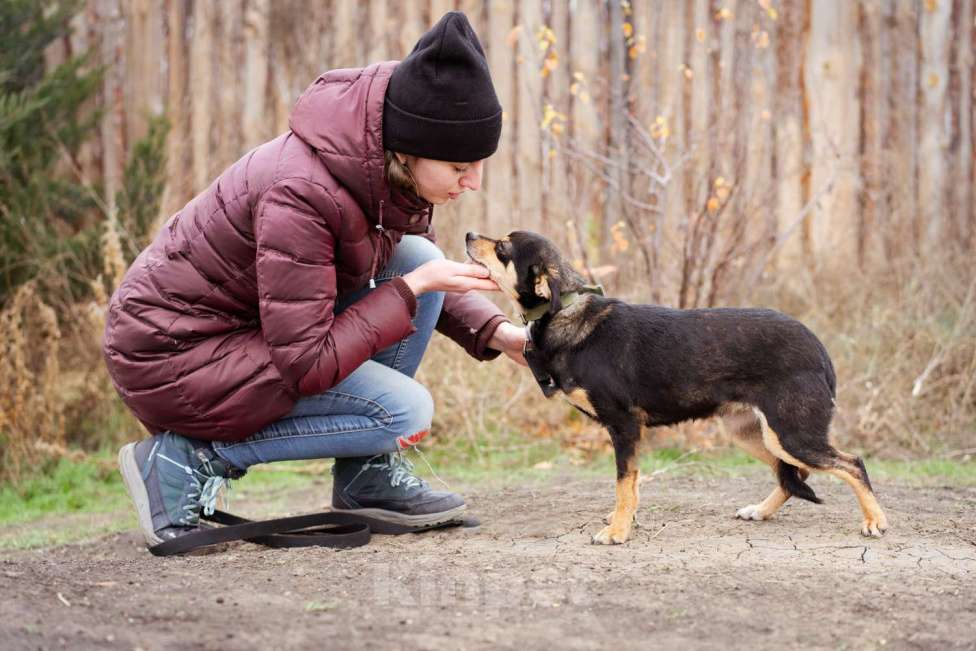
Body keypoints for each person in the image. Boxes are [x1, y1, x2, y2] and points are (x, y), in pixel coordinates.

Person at [105, 11, 527, 547]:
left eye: (480, 162)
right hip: (173, 357)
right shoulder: (300, 193)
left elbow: (405, 268)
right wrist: (412, 289)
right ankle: (186, 457)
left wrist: (496, 332)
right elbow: (305, 361)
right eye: (460, 166)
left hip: (240, 336)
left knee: (415, 252)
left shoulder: (376, 172)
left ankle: (366, 477)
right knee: (405, 408)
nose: (474, 182)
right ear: (408, 147)